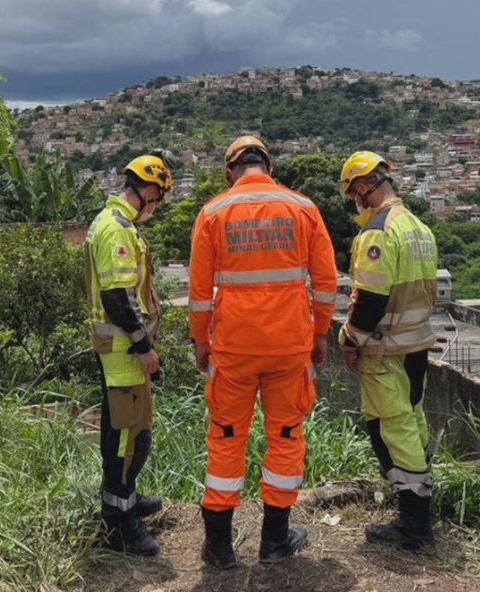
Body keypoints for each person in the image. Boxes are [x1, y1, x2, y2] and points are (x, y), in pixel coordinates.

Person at [189, 136, 338, 568]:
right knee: (287, 435)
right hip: (290, 346)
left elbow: (200, 293)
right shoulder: (304, 208)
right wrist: (321, 334)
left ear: (231, 170)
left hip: (234, 347)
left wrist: (202, 340)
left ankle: (218, 547)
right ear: (267, 166)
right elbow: (326, 282)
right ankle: (275, 541)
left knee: (226, 437)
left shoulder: (213, 211)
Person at [337, 150, 438, 551]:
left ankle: (415, 527)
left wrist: (349, 341)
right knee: (412, 422)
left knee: (391, 429)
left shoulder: (377, 232)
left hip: (386, 348)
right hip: (416, 345)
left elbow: (370, 300)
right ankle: (422, 507)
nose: (355, 204)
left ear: (362, 188)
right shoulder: (418, 227)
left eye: (353, 195)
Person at [85, 150, 176, 556]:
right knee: (127, 439)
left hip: (121, 349)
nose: (156, 207)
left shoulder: (112, 222)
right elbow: (118, 296)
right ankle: (119, 525)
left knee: (125, 432)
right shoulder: (117, 228)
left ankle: (125, 499)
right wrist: (143, 347)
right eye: (158, 198)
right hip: (124, 350)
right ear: (150, 190)